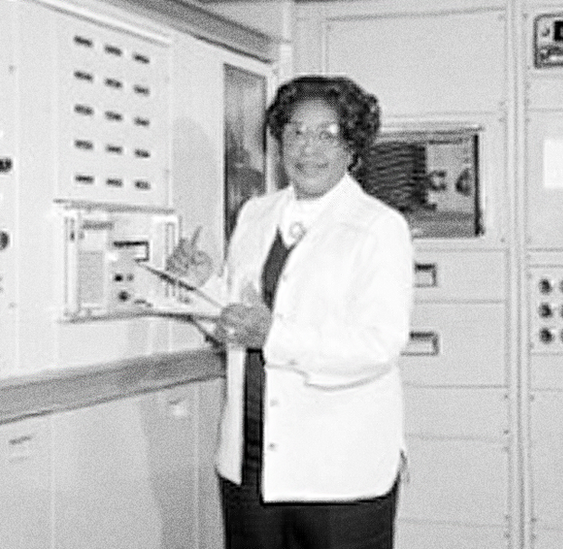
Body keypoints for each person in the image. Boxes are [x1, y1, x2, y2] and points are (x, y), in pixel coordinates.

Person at [168, 74, 414, 549]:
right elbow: (236, 323)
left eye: (329, 134)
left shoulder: (380, 228)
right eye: (296, 132)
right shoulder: (255, 216)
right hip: (252, 458)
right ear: (279, 141)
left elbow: (377, 345)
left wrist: (273, 336)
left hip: (338, 468)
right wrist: (202, 286)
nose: (309, 148)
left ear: (353, 148)